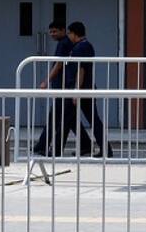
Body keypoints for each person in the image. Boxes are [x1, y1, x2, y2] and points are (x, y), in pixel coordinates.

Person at [62, 21, 114, 157]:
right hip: (86, 89)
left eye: (69, 33)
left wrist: (76, 91)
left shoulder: (80, 48)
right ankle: (97, 147)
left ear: (74, 33)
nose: (68, 36)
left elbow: (81, 69)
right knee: (78, 118)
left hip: (83, 90)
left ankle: (104, 149)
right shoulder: (86, 46)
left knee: (91, 120)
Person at [31, 21, 73, 156]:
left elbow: (59, 64)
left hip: (62, 86)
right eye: (50, 31)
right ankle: (84, 143)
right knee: (66, 117)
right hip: (62, 86)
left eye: (55, 31)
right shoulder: (64, 43)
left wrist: (46, 81)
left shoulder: (64, 44)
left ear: (63, 30)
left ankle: (44, 146)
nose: (52, 34)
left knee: (57, 116)